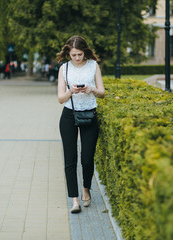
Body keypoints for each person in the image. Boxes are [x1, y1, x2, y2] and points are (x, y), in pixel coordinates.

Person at [57, 36, 105, 213]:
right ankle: (75, 200)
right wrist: (71, 90)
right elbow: (60, 98)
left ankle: (86, 190)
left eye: (79, 54)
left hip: (90, 114)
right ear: (68, 54)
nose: (77, 58)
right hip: (69, 115)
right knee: (70, 160)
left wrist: (91, 89)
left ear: (85, 51)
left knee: (87, 158)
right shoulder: (64, 68)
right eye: (73, 55)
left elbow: (102, 93)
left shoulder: (93, 65)